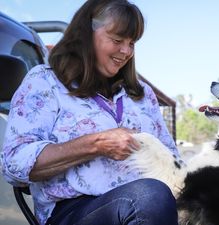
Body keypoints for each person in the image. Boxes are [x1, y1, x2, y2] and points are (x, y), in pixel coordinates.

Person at [1, 0, 180, 224]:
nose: (126, 51)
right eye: (117, 40)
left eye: (132, 43)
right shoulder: (45, 82)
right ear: (86, 34)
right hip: (73, 211)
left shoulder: (142, 95)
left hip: (148, 205)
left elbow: (173, 159)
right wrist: (95, 144)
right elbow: (13, 163)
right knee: (149, 196)